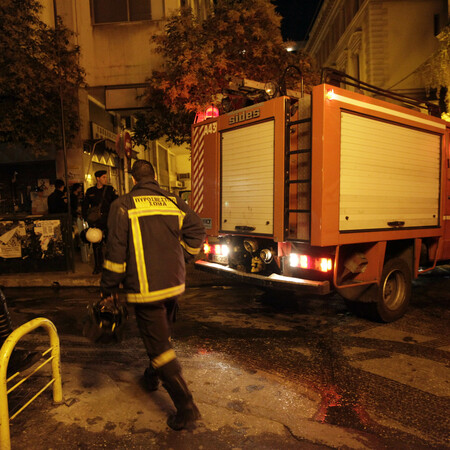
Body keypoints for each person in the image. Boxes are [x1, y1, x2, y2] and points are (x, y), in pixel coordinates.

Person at [100, 160, 206, 430]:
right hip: (174, 283)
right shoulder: (172, 201)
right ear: (155, 176)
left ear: (132, 179)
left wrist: (109, 288)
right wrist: (183, 257)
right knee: (162, 333)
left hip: (146, 289)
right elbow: (197, 230)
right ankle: (151, 376)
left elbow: (116, 252)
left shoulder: (122, 205)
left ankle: (186, 407)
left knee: (159, 347)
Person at [82, 170, 118, 274]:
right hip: (96, 221)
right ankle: (98, 266)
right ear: (98, 178)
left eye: (106, 177)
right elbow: (85, 206)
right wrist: (86, 218)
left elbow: (116, 203)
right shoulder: (90, 191)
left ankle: (110, 267)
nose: (105, 179)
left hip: (108, 220)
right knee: (96, 244)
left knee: (110, 244)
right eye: (103, 177)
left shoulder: (110, 190)